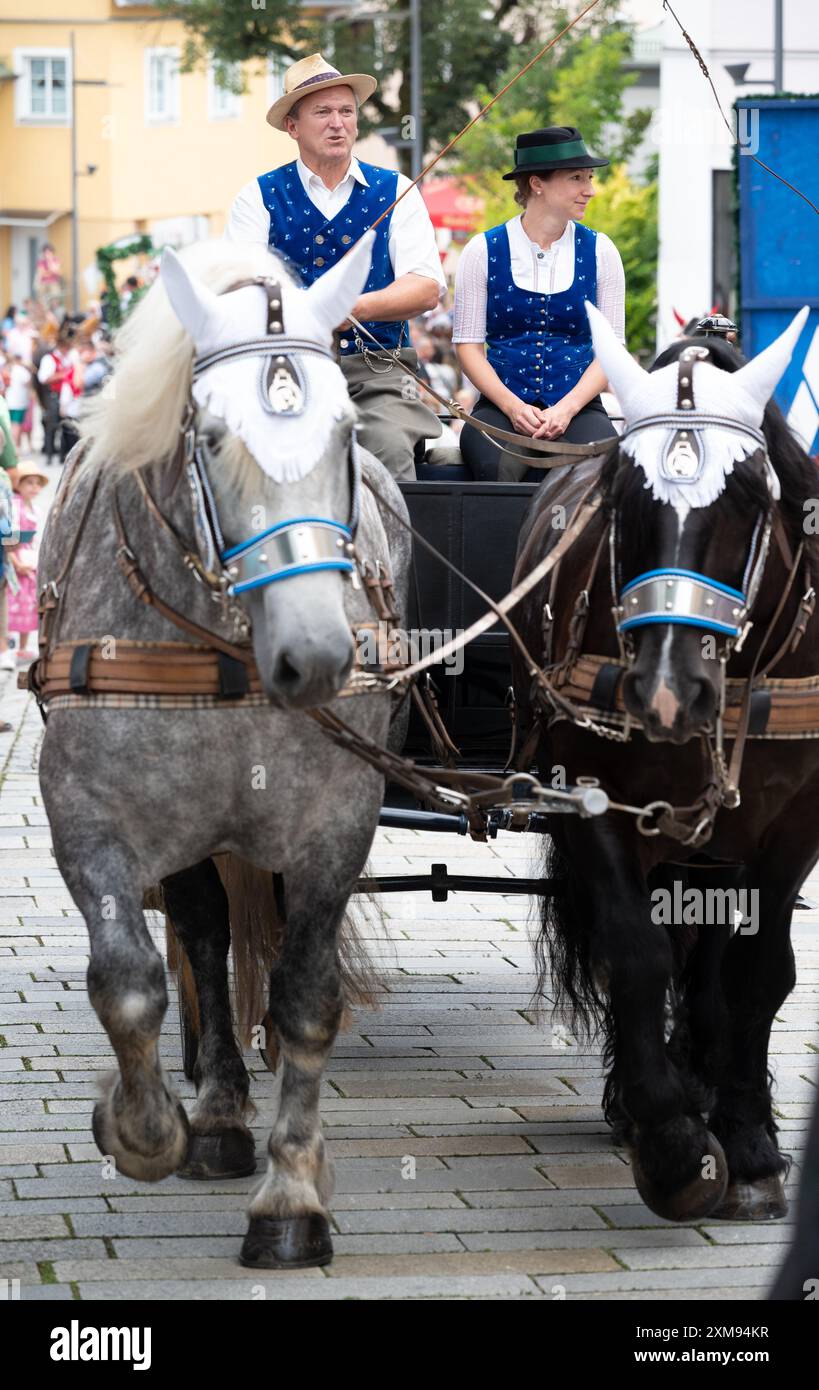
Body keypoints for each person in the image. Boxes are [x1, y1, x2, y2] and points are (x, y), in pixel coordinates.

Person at [224, 52, 446, 482]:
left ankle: (395, 550)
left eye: (346, 111)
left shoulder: (397, 190)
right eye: (322, 112)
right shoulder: (257, 197)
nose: (337, 122)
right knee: (248, 462)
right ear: (293, 126)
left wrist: (353, 307)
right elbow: (242, 294)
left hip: (378, 371)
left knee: (388, 453)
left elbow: (426, 288)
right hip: (283, 369)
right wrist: (310, 315)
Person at [453, 126, 626, 481]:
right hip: (500, 405)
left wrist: (566, 409)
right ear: (536, 184)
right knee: (495, 465)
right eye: (577, 178)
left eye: (589, 177)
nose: (589, 190)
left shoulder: (602, 251)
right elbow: (468, 346)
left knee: (600, 471)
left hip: (578, 404)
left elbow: (612, 350)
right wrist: (512, 406)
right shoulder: (482, 250)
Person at [7, 461, 47, 664]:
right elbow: (8, 538)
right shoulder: (14, 506)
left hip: (30, 558)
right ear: (18, 485)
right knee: (12, 603)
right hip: (16, 556)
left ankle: (22, 646)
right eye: (29, 483)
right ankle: (8, 642)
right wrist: (14, 561)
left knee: (28, 603)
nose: (34, 488)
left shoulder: (35, 509)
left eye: (37, 483)